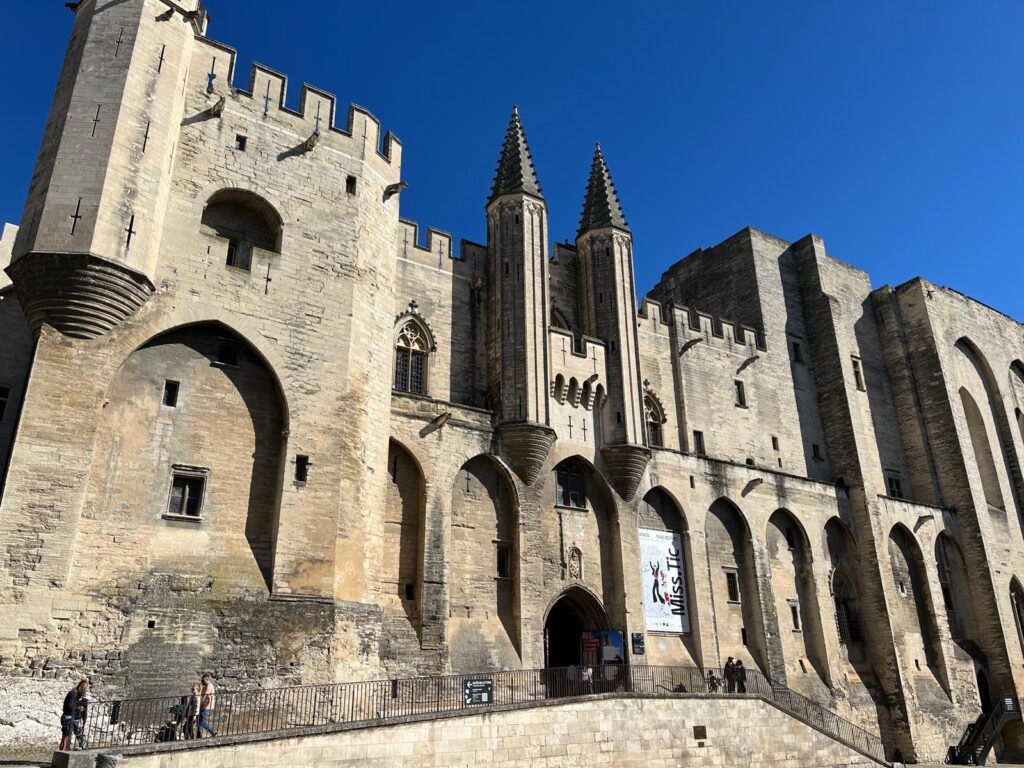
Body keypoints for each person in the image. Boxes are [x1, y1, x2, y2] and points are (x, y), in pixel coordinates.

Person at [59, 680, 89, 751]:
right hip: (68, 716)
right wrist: (78, 707)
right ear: (80, 687)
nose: (84, 691)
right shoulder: (72, 693)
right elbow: (69, 706)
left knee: (79, 734)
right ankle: (64, 750)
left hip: (76, 718)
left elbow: (84, 712)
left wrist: (84, 722)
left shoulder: (79, 695)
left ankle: (84, 749)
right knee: (66, 735)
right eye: (83, 689)